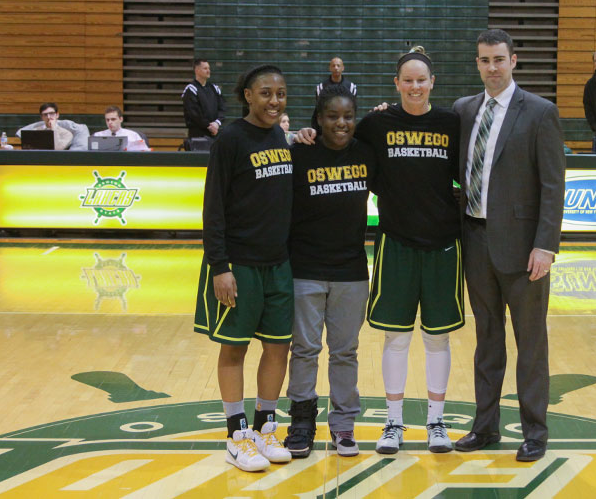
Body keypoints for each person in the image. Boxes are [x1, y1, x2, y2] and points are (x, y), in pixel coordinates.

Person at [294, 47, 462, 455]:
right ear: (397, 84)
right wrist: (303, 134)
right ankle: (393, 423)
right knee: (396, 338)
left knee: (437, 339)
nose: (415, 86)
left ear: (432, 83)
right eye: (408, 80)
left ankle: (436, 423)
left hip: (443, 245)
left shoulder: (452, 124)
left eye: (422, 80)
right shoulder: (376, 124)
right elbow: (337, 133)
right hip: (395, 243)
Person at [452, 29, 565, 462]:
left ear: (513, 61)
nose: (492, 68)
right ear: (477, 63)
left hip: (523, 251)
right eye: (484, 60)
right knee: (487, 342)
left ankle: (535, 431)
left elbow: (553, 186)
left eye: (499, 59)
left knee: (530, 344)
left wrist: (545, 246)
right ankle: (486, 427)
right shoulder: (465, 110)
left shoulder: (539, 112)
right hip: (476, 241)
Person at [193, 64, 293, 473]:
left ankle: (264, 427)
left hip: (279, 263)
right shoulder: (231, 139)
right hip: (238, 264)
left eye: (281, 93)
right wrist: (220, 266)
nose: (274, 100)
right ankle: (236, 436)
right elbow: (213, 206)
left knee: (278, 346)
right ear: (247, 96)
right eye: (266, 93)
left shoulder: (281, 137)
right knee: (234, 348)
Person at [283, 84, 377, 459]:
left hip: (351, 272)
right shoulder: (300, 154)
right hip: (305, 268)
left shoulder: (367, 155)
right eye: (333, 117)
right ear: (318, 121)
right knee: (304, 349)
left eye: (348, 117)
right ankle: (302, 421)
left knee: (345, 351)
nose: (342, 123)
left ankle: (343, 425)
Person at [182, 58, 226, 138]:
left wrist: (217, 123)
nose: (208, 71)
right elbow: (194, 113)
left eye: (209, 68)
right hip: (197, 134)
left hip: (215, 132)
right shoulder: (191, 89)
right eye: (205, 68)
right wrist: (209, 126)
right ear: (197, 70)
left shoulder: (214, 88)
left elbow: (222, 108)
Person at [16, 103, 89, 150]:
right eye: (45, 114)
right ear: (42, 117)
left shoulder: (66, 133)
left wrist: (53, 128)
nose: (48, 117)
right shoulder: (35, 131)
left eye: (51, 114)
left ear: (57, 115)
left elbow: (57, 149)